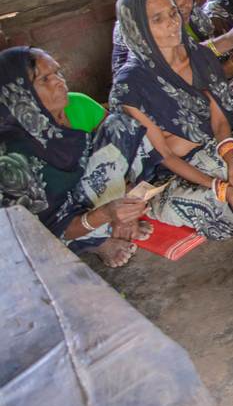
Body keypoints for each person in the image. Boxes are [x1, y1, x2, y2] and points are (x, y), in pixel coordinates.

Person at [110, 0, 233, 240]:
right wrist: (220, 188)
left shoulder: (199, 56)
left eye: (173, 13)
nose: (172, 23)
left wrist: (230, 167)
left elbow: (219, 121)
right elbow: (163, 155)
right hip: (177, 171)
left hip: (217, 151)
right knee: (218, 219)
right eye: (157, 19)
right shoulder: (131, 85)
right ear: (137, 28)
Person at [0, 47, 158, 267]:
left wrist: (126, 203)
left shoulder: (76, 103)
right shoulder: (13, 154)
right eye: (45, 79)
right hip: (60, 222)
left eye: (57, 72)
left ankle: (113, 222)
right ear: (20, 93)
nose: (59, 81)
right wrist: (107, 213)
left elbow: (122, 150)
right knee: (41, 242)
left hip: (94, 195)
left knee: (122, 125)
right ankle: (94, 239)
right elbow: (42, 229)